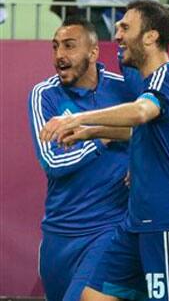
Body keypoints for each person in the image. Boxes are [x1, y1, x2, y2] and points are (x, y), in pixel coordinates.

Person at [40, 0, 169, 301]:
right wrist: (91, 132)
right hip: (135, 222)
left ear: (151, 36)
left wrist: (78, 118)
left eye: (125, 27)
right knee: (92, 297)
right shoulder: (148, 84)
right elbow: (141, 132)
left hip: (167, 220)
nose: (117, 35)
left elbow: (140, 113)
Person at [27, 17, 141, 301]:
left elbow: (161, 127)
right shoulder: (45, 94)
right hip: (59, 232)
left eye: (69, 46)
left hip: (110, 227)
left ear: (93, 52)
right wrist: (102, 137)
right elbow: (52, 163)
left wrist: (136, 160)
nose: (59, 56)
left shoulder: (125, 89)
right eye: (55, 47)